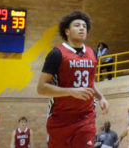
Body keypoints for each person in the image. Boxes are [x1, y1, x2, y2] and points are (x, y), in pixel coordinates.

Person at [37, 10, 109, 148]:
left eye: (84, 26)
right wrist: (71, 92)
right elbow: (41, 88)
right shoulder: (56, 54)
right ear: (67, 31)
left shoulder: (93, 53)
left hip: (85, 117)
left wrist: (101, 98)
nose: (82, 28)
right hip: (60, 118)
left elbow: (89, 84)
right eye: (77, 25)